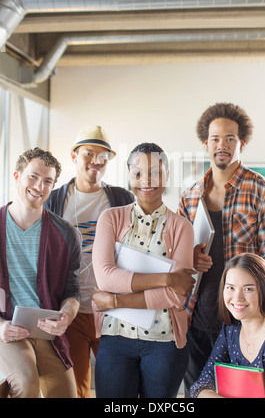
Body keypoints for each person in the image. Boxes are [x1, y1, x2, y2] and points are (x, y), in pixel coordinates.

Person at [178, 102, 265, 396]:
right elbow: (175, 258)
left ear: (242, 143)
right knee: (197, 393)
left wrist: (255, 316)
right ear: (206, 144)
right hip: (196, 320)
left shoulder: (261, 190)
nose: (222, 145)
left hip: (240, 323)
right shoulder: (190, 197)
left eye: (230, 138)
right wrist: (188, 258)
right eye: (215, 138)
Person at [92, 143, 196, 398]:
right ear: (129, 176)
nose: (146, 181)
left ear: (167, 175)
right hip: (115, 340)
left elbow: (175, 295)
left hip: (165, 344)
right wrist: (166, 278)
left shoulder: (181, 226)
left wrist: (116, 299)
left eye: (155, 173)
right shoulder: (110, 218)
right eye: (138, 173)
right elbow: (105, 276)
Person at [45, 125, 134, 398]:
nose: (96, 160)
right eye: (88, 153)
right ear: (74, 156)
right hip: (71, 310)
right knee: (78, 389)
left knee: (120, 389)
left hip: (111, 308)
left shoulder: (122, 199)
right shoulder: (54, 200)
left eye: (103, 155)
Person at [0, 148, 81, 398]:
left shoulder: (66, 234)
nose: (39, 186)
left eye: (48, 181)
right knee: (25, 383)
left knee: (67, 395)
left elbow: (72, 292)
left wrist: (66, 316)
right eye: (33, 177)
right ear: (16, 176)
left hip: (47, 334)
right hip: (6, 330)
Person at [190, 253, 265, 398]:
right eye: (230, 288)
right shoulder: (231, 329)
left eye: (248, 289)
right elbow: (199, 387)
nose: (237, 298)